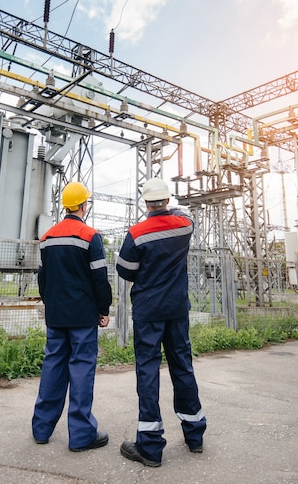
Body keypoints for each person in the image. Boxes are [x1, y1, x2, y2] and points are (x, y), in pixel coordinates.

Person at [116, 177, 206, 468]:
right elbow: (185, 212)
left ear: (145, 203)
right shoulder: (184, 226)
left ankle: (151, 447)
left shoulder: (137, 233)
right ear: (168, 201)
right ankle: (195, 436)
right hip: (177, 309)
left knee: (148, 372)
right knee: (182, 367)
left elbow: (125, 270)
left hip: (149, 311)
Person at [32, 181, 112, 451]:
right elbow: (99, 279)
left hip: (56, 316)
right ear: (83, 205)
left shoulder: (47, 238)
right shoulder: (90, 236)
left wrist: (51, 304)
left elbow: (43, 279)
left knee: (52, 367)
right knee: (81, 370)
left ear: (66, 205)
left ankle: (41, 429)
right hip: (82, 317)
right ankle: (81, 435)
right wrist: (104, 309)